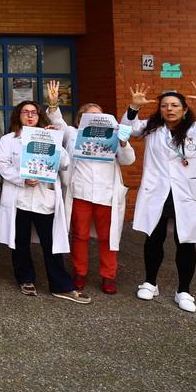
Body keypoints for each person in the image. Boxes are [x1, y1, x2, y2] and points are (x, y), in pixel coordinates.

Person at [125, 80, 196, 313]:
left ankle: (184, 290)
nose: (169, 109)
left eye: (174, 105)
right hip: (158, 193)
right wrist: (133, 108)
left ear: (184, 110)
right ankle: (150, 282)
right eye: (164, 106)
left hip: (188, 193)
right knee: (154, 238)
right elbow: (126, 129)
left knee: (186, 241)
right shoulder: (151, 128)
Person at [0, 101, 90, 303]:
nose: (30, 116)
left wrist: (55, 142)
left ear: (39, 116)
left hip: (44, 198)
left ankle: (60, 285)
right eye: (25, 112)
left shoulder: (50, 137)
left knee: (51, 243)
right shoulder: (9, 140)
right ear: (18, 116)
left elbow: (64, 164)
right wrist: (22, 179)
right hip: (19, 198)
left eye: (34, 113)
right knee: (20, 242)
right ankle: (25, 278)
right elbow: (2, 164)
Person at [45, 80, 134, 295]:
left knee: (108, 237)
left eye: (99, 115)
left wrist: (123, 142)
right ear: (81, 119)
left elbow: (128, 160)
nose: (96, 119)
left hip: (106, 193)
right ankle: (80, 272)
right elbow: (57, 122)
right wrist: (54, 104)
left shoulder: (113, 135)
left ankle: (108, 276)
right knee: (79, 235)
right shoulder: (73, 134)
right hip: (81, 192)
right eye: (91, 115)